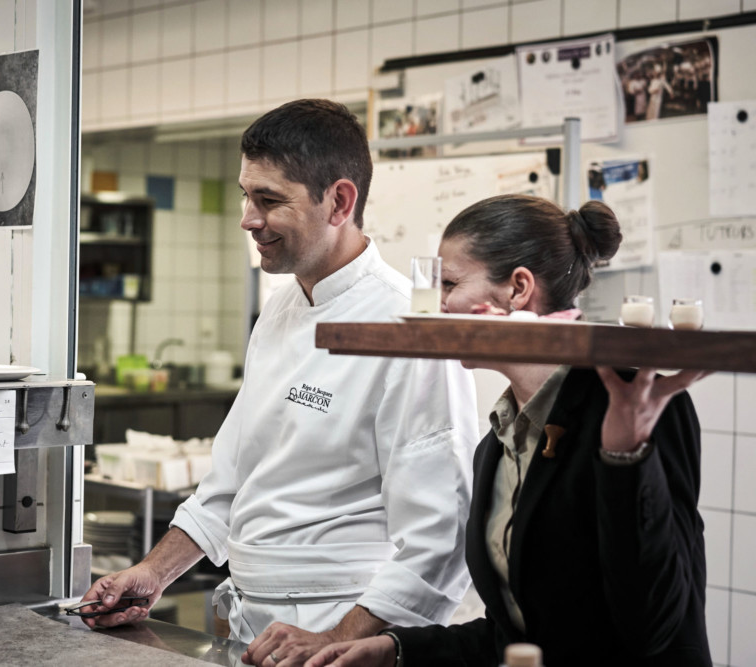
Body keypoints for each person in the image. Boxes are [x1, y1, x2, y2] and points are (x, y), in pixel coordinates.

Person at [79, 99, 480, 662]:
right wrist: (152, 571)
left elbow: (442, 538)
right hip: (252, 620)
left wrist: (336, 640)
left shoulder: (408, 329)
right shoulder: (281, 310)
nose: (247, 217)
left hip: (340, 627)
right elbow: (232, 480)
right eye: (247, 195)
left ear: (339, 201)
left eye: (269, 200)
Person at [304, 194, 712, 667]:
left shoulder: (638, 404)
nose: (435, 308)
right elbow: (523, 632)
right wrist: (398, 649)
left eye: (450, 284)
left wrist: (625, 457)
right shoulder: (496, 446)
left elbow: (656, 624)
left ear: (518, 289)